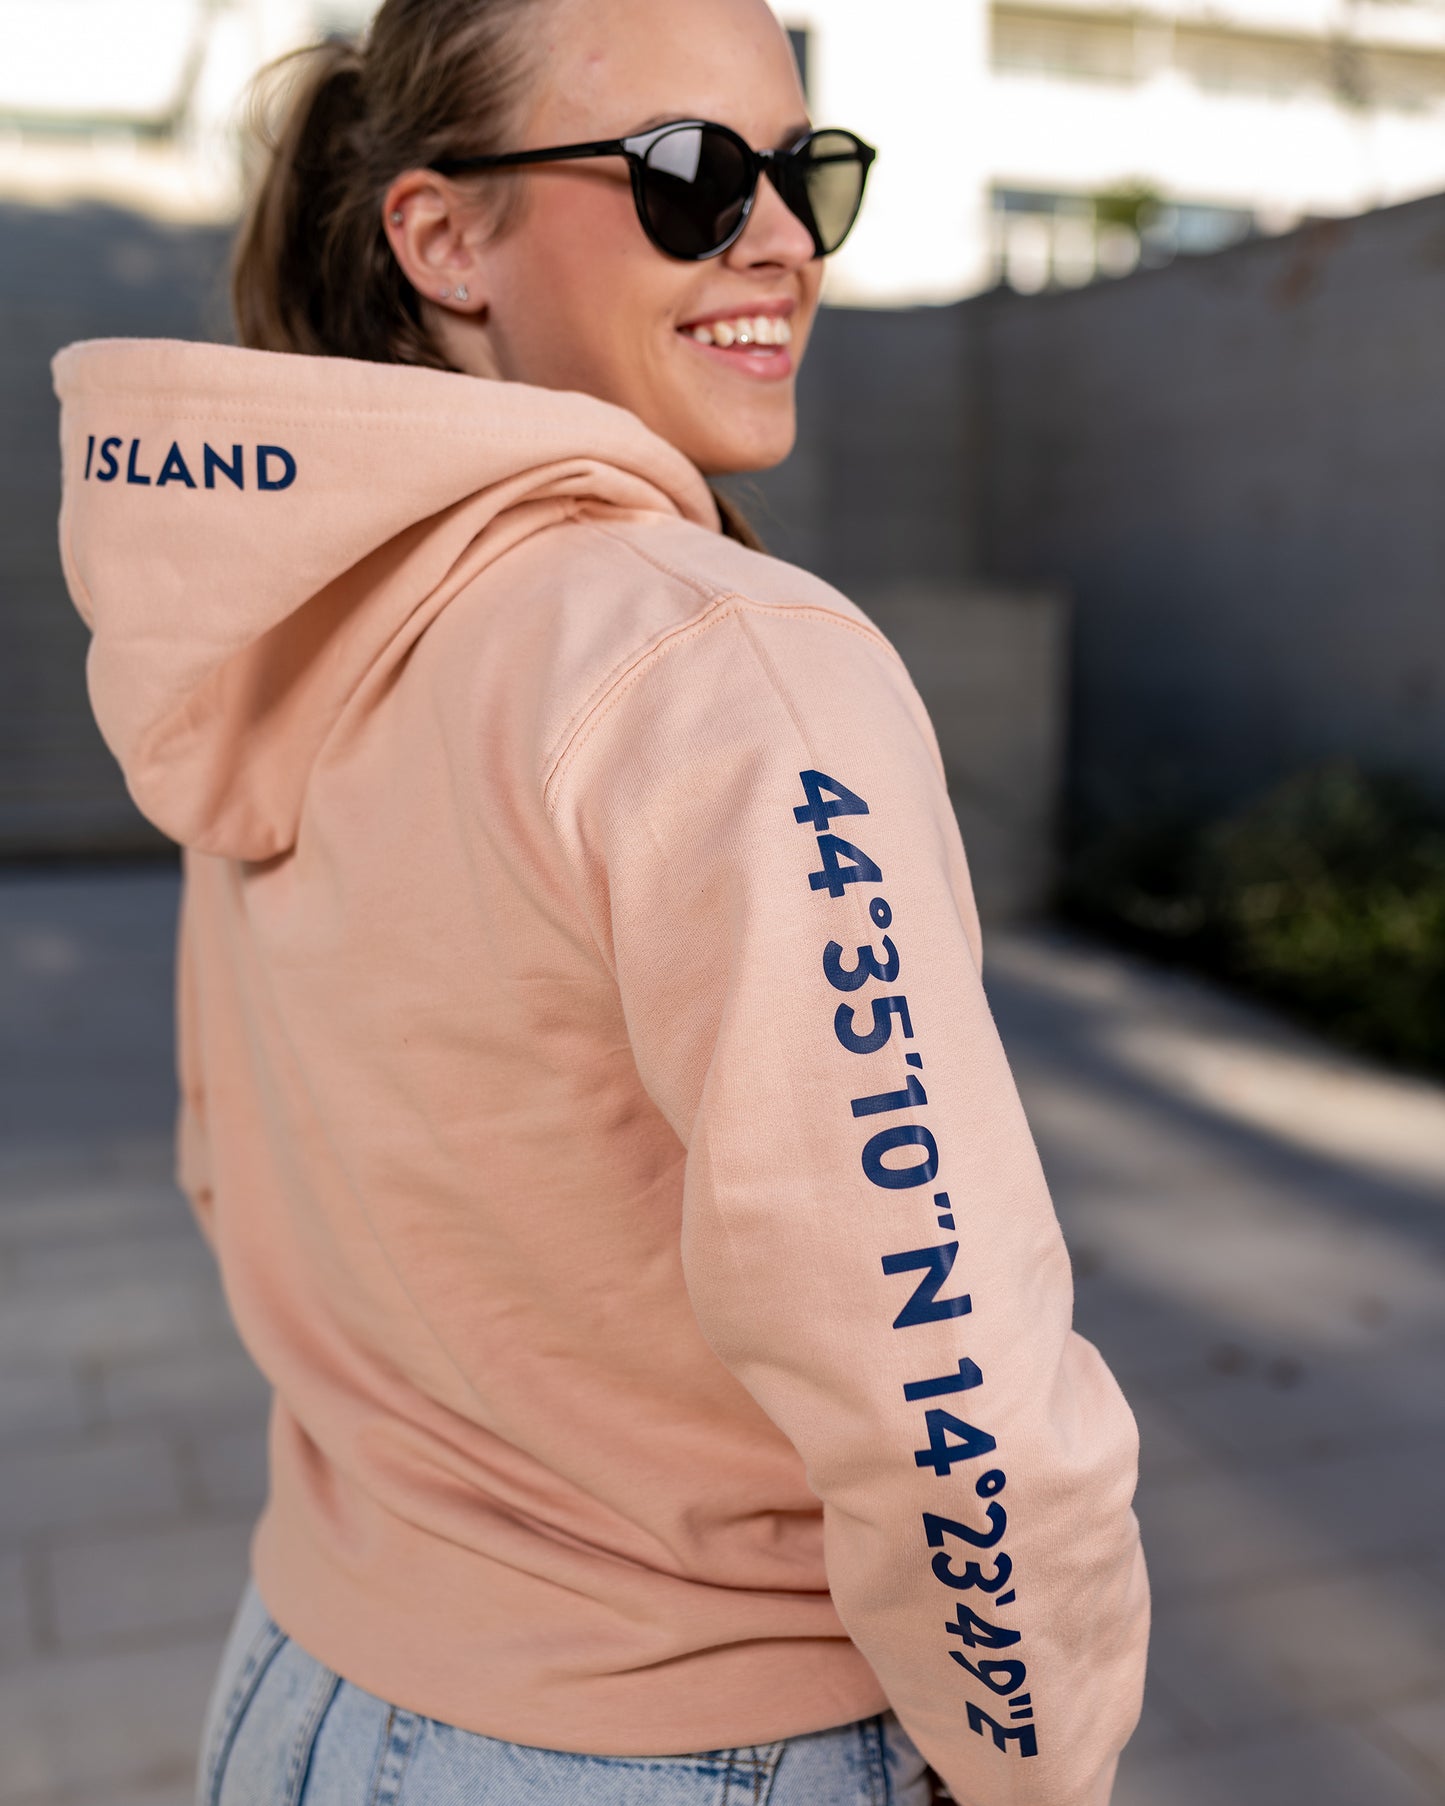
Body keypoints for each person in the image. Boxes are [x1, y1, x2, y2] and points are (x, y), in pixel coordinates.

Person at [51, 0, 1150, 1800]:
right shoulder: (719, 661)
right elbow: (951, 1391)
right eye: (688, 175)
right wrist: (1040, 1758)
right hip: (678, 1737)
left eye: (801, 173)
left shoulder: (287, 616)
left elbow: (225, 1159)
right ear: (440, 235)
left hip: (302, 1689)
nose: (778, 235)